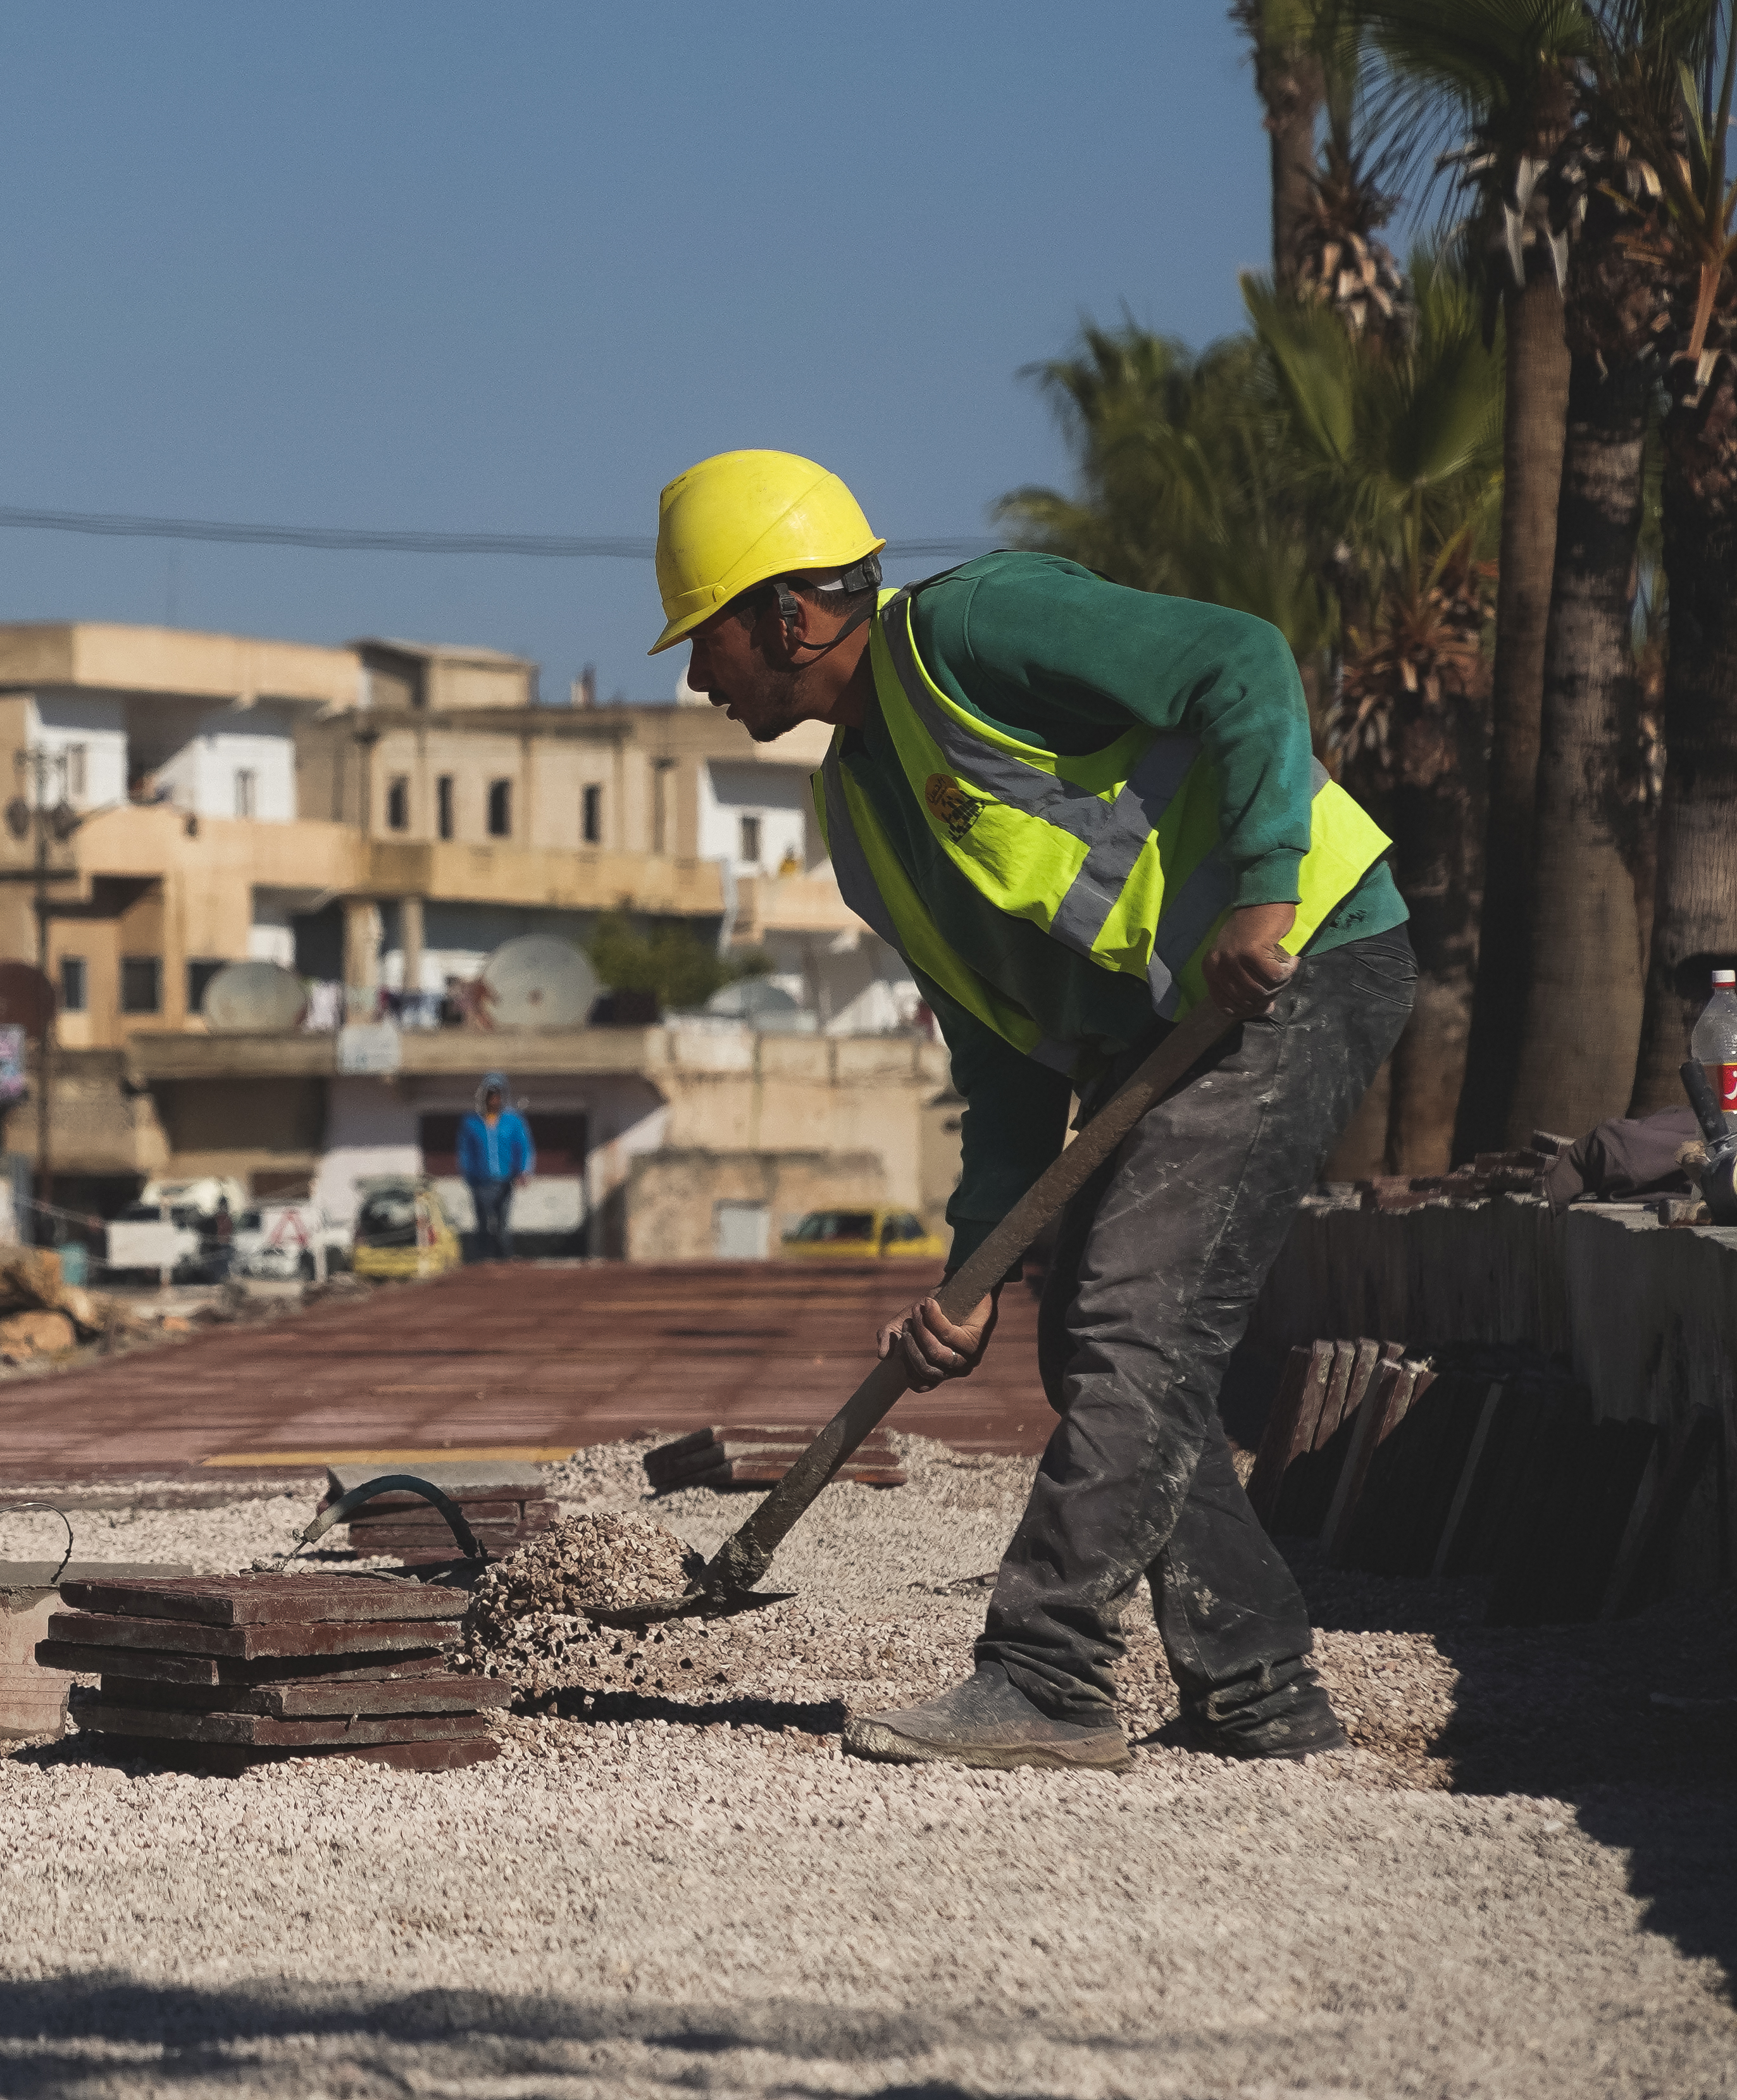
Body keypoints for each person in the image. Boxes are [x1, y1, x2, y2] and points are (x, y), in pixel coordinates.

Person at [649, 450, 1409, 1772]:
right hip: (1161, 1026)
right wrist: (978, 1267)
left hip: (1300, 960)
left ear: (787, 614)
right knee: (1086, 1342)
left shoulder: (973, 630)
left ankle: (1050, 1671)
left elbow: (1243, 658)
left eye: (704, 635)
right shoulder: (858, 814)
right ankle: (1261, 1682)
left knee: (1137, 1327)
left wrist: (1267, 892)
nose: (696, 676)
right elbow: (1003, 1059)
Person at [454, 1075, 530, 1260]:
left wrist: (523, 1171)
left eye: (497, 1096)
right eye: (490, 1096)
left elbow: (523, 1147)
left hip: (505, 1181)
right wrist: (469, 1177)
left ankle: (505, 1259)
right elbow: (465, 1152)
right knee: (483, 1223)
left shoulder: (513, 1122)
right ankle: (483, 1260)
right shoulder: (471, 1123)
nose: (494, 1100)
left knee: (502, 1224)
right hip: (481, 1183)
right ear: (484, 1097)